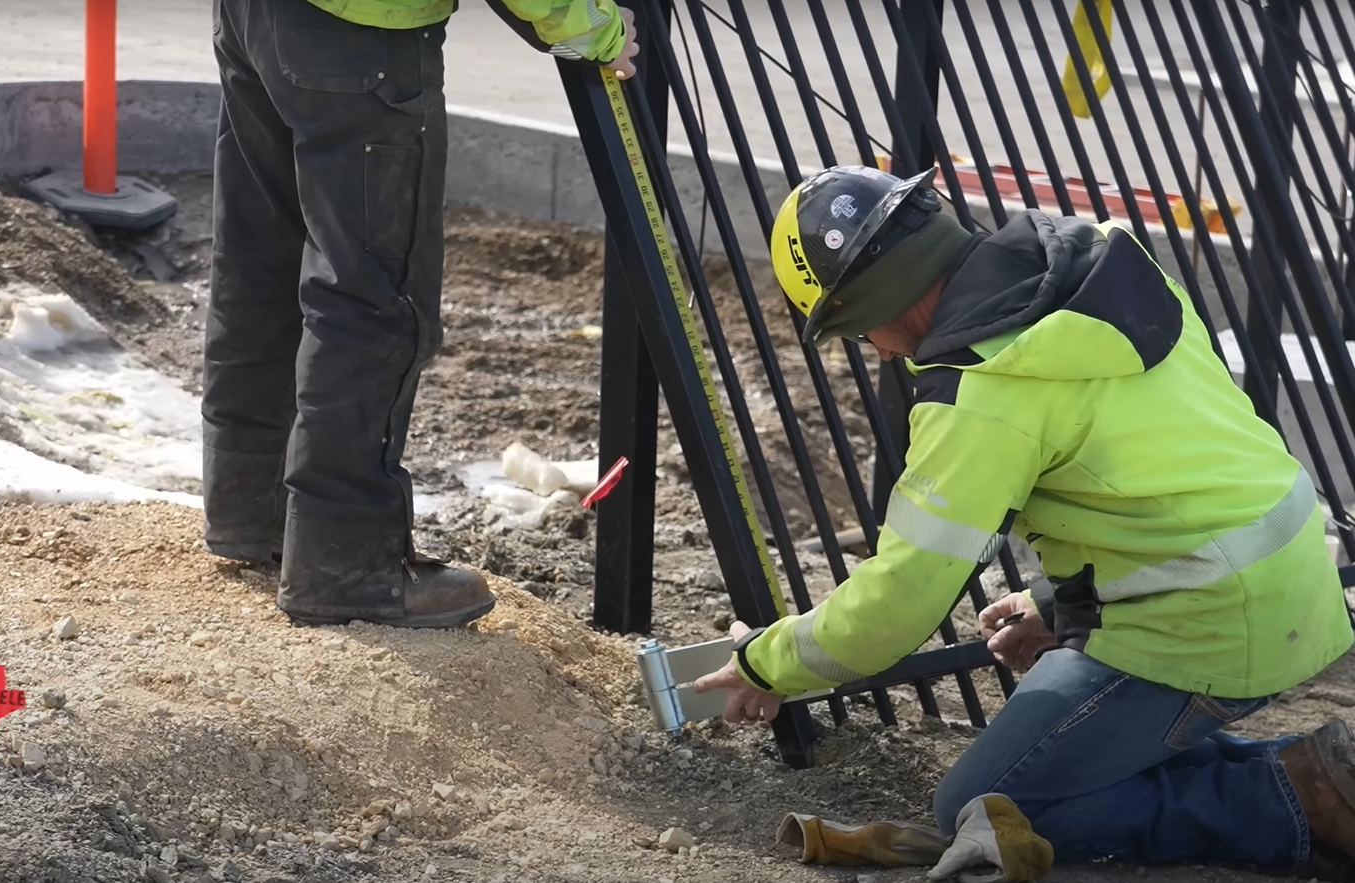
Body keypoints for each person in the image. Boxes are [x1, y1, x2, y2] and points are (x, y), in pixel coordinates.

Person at [691, 164, 1355, 875]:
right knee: (1054, 763)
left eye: (858, 331)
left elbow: (901, 599)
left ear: (872, 301)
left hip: (1210, 623)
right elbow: (1156, 474)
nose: (880, 352)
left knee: (988, 805)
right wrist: (1057, 600)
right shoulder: (1098, 256)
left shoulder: (981, 393)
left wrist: (769, 661)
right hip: (1283, 569)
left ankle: (1288, 798)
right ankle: (1319, 772)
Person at [202, 0, 641, 628]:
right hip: (363, 35)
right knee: (373, 296)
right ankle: (346, 564)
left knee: (259, 257)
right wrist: (589, 25)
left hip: (253, 17)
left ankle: (251, 509)